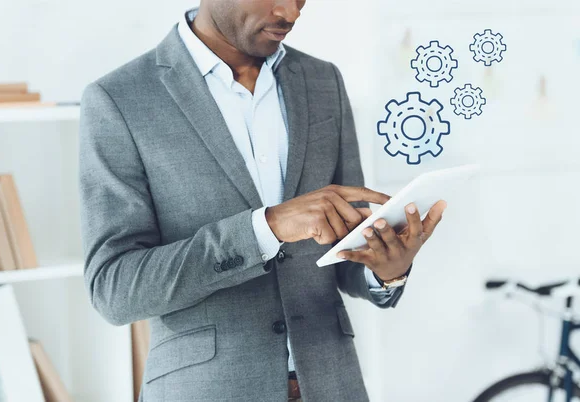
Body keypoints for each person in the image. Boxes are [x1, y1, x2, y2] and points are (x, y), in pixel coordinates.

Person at [78, 1, 447, 401]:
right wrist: (265, 228)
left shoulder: (323, 81)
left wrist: (386, 270)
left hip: (333, 386)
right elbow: (113, 290)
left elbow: (347, 252)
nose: (291, 13)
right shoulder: (120, 99)